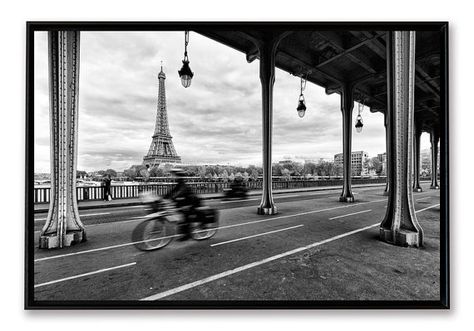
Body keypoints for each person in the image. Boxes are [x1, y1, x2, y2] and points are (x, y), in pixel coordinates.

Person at [164, 169, 201, 241]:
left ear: (178, 176)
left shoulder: (182, 184)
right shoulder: (179, 183)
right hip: (186, 202)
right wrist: (163, 198)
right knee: (180, 214)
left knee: (185, 216)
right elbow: (172, 191)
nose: (172, 177)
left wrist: (172, 198)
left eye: (174, 175)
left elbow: (180, 192)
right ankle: (184, 230)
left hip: (192, 202)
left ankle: (187, 235)